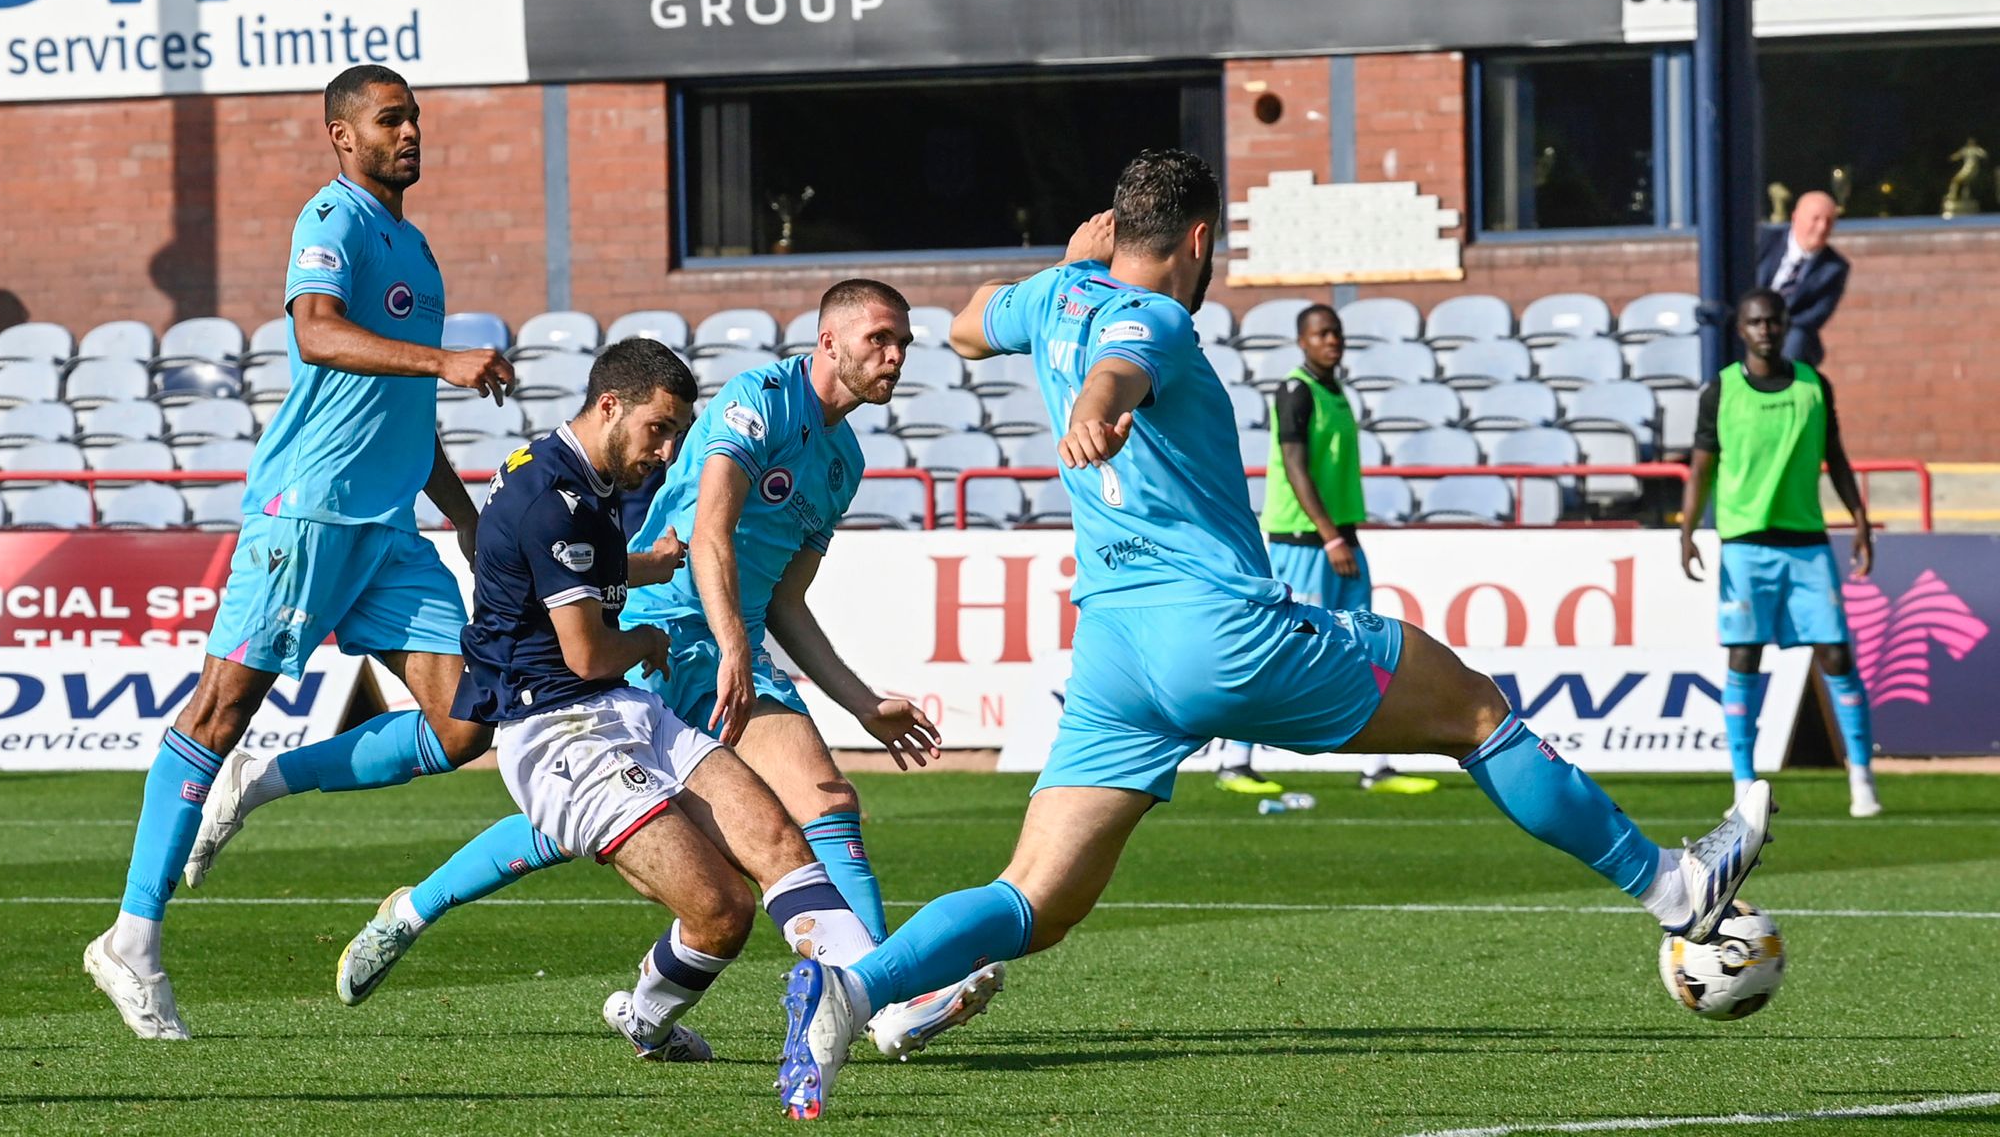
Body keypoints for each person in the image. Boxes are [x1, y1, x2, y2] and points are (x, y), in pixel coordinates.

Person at [771, 150, 1774, 1120]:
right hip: (1218, 632)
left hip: (1114, 653)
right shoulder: (1157, 317)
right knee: (1473, 711)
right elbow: (1125, 368)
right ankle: (1669, 885)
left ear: (1113, 230)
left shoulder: (1056, 297)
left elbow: (963, 328)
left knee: (1034, 899)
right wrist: (1094, 403)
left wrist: (1069, 280)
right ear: (1198, 238)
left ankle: (849, 995)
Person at [332, 280, 1002, 1061]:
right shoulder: (762, 400)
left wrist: (858, 704)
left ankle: (873, 991)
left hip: (731, 643)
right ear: (829, 342)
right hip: (675, 632)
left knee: (805, 802)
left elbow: (786, 600)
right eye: (879, 339)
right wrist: (731, 648)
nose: (894, 356)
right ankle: (879, 998)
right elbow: (709, 533)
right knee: (608, 821)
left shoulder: (843, 460)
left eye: (903, 345)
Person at [84, 64, 518, 1040]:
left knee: (464, 723)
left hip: (389, 528)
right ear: (341, 135)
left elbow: (405, 403)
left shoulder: (411, 243)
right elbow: (318, 335)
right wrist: (446, 360)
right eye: (389, 119)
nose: (409, 132)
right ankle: (131, 938)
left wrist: (463, 513)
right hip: (310, 512)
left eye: (414, 118)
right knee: (221, 705)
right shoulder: (332, 221)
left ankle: (263, 782)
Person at [452, 337, 881, 1060]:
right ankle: (645, 1015)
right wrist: (649, 642)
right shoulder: (553, 500)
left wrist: (643, 567)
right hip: (560, 736)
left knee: (780, 841)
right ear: (610, 406)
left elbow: (581, 568)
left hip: (622, 710)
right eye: (660, 429)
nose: (670, 449)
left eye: (681, 432)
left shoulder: (566, 471)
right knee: (724, 911)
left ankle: (883, 992)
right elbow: (586, 650)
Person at [1215, 302, 1436, 797]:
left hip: (1340, 537)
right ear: (1303, 341)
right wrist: (1329, 535)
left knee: (1368, 645)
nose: (1332, 340)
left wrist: (1341, 535)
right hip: (1305, 540)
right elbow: (1296, 469)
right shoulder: (1296, 391)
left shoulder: (1336, 393)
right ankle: (1234, 759)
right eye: (1322, 334)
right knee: (1282, 646)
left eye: (1336, 333)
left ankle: (1376, 766)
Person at [1679, 288, 1879, 818]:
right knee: (1744, 656)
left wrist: (1859, 520)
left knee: (1836, 653)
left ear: (1787, 324)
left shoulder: (1814, 385)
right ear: (1740, 329)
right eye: (1754, 321)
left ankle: (1862, 776)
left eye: (1773, 320)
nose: (1765, 328)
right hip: (1745, 543)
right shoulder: (1721, 390)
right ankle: (1743, 783)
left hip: (1806, 541)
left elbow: (1834, 456)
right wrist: (1688, 529)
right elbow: (1701, 466)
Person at [1755, 191, 1849, 367]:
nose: (1822, 227)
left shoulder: (1834, 267)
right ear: (1795, 217)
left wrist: (1773, 324)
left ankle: (1781, 387)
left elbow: (1816, 316)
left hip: (1790, 333)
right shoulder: (1764, 239)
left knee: (1797, 338)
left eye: (1829, 221)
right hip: (1749, 319)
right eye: (1816, 219)